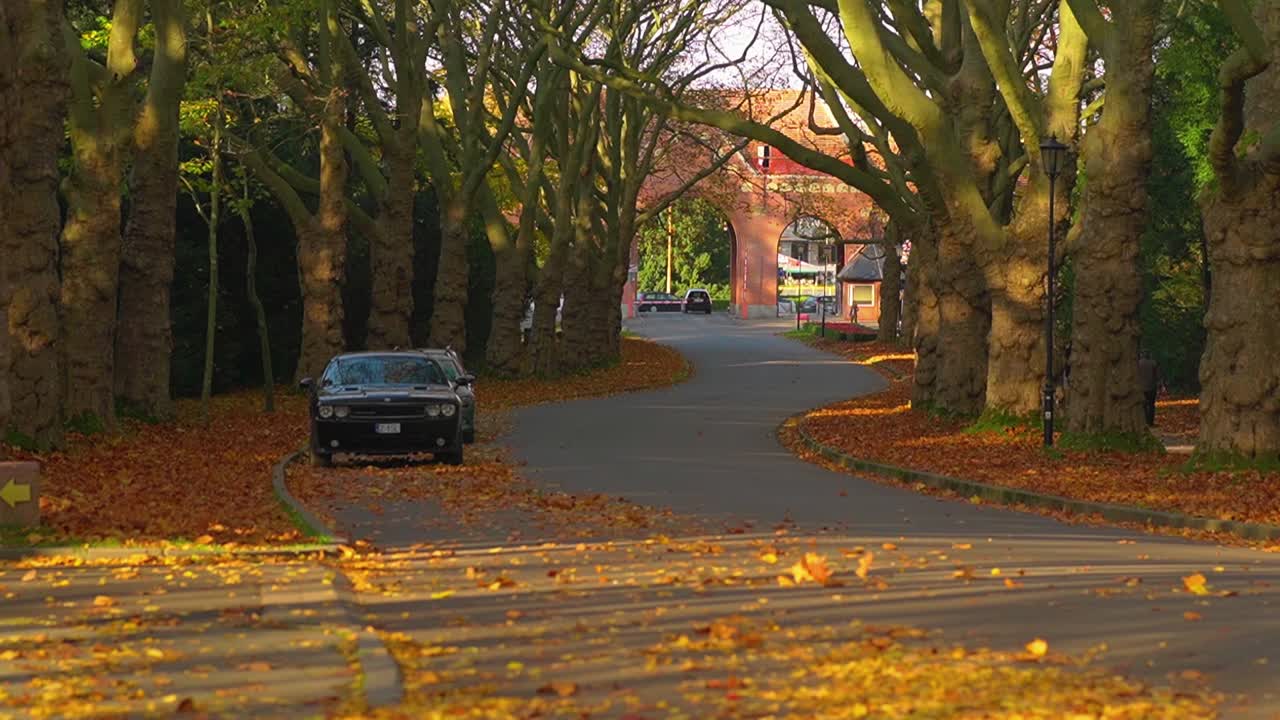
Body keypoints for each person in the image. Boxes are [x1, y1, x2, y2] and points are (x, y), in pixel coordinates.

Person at [1138, 350, 1160, 426]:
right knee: (1151, 405)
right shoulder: (1153, 363)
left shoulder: (1138, 364)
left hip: (1141, 388)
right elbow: (1157, 376)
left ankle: (1144, 422)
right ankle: (1150, 422)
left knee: (1143, 405)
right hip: (1151, 387)